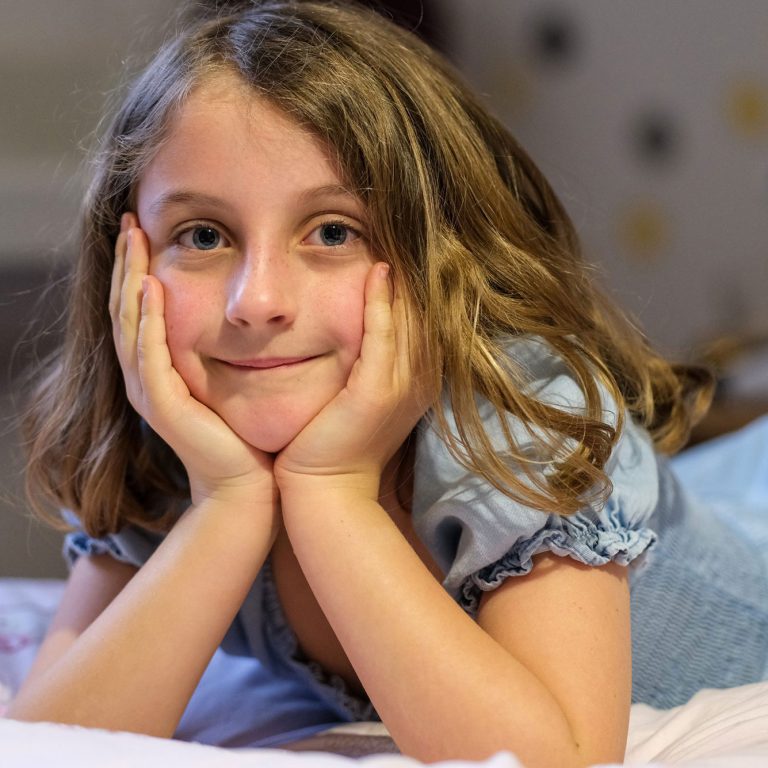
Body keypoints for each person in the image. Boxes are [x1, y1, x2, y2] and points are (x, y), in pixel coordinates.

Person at [8, 2, 768, 766]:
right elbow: (45, 740)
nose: (257, 301)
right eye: (203, 236)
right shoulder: (167, 448)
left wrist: (331, 489)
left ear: (445, 260)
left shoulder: (517, 423)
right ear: (127, 268)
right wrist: (226, 506)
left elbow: (557, 755)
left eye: (333, 232)